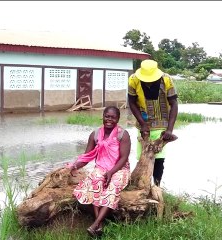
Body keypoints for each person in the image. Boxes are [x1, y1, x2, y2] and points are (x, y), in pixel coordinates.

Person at [67, 106, 131, 237]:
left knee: (113, 187)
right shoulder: (95, 134)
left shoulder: (122, 134)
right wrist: (75, 166)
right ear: (103, 116)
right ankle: (99, 224)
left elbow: (124, 158)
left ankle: (95, 224)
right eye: (107, 116)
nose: (109, 119)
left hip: (120, 168)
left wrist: (111, 172)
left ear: (118, 119)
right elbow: (87, 157)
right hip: (101, 167)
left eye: (113, 117)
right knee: (95, 182)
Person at [127, 59, 178, 186]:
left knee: (159, 159)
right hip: (143, 124)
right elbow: (132, 102)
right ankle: (143, 185)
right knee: (143, 157)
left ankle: (156, 186)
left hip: (162, 126)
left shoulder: (166, 80)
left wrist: (169, 130)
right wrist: (143, 124)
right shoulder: (134, 80)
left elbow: (174, 104)